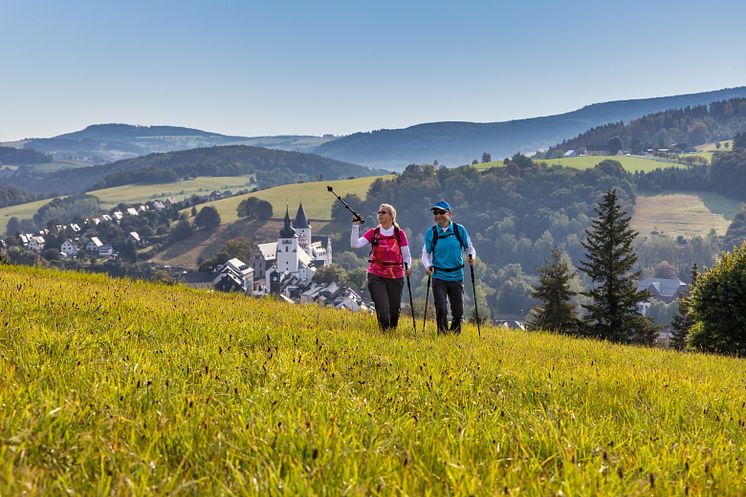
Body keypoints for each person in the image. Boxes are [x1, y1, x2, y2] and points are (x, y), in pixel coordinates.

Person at [351, 203, 413, 330]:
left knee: (394, 308)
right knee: (382, 306)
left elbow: (407, 256)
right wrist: (355, 226)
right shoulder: (373, 233)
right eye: (379, 212)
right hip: (376, 274)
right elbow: (355, 245)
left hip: (395, 274)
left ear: (392, 216)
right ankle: (384, 332)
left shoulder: (399, 234)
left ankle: (392, 331)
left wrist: (408, 266)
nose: (380, 215)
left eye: (383, 212)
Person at [422, 200, 476, 334]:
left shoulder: (459, 230)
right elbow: (425, 253)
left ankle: (455, 335)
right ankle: (443, 335)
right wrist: (427, 266)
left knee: (458, 312)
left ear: (449, 213)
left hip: (457, 276)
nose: (437, 215)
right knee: (441, 309)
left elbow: (469, 247)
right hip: (438, 276)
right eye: (435, 213)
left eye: (441, 212)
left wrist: (471, 256)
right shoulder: (431, 233)